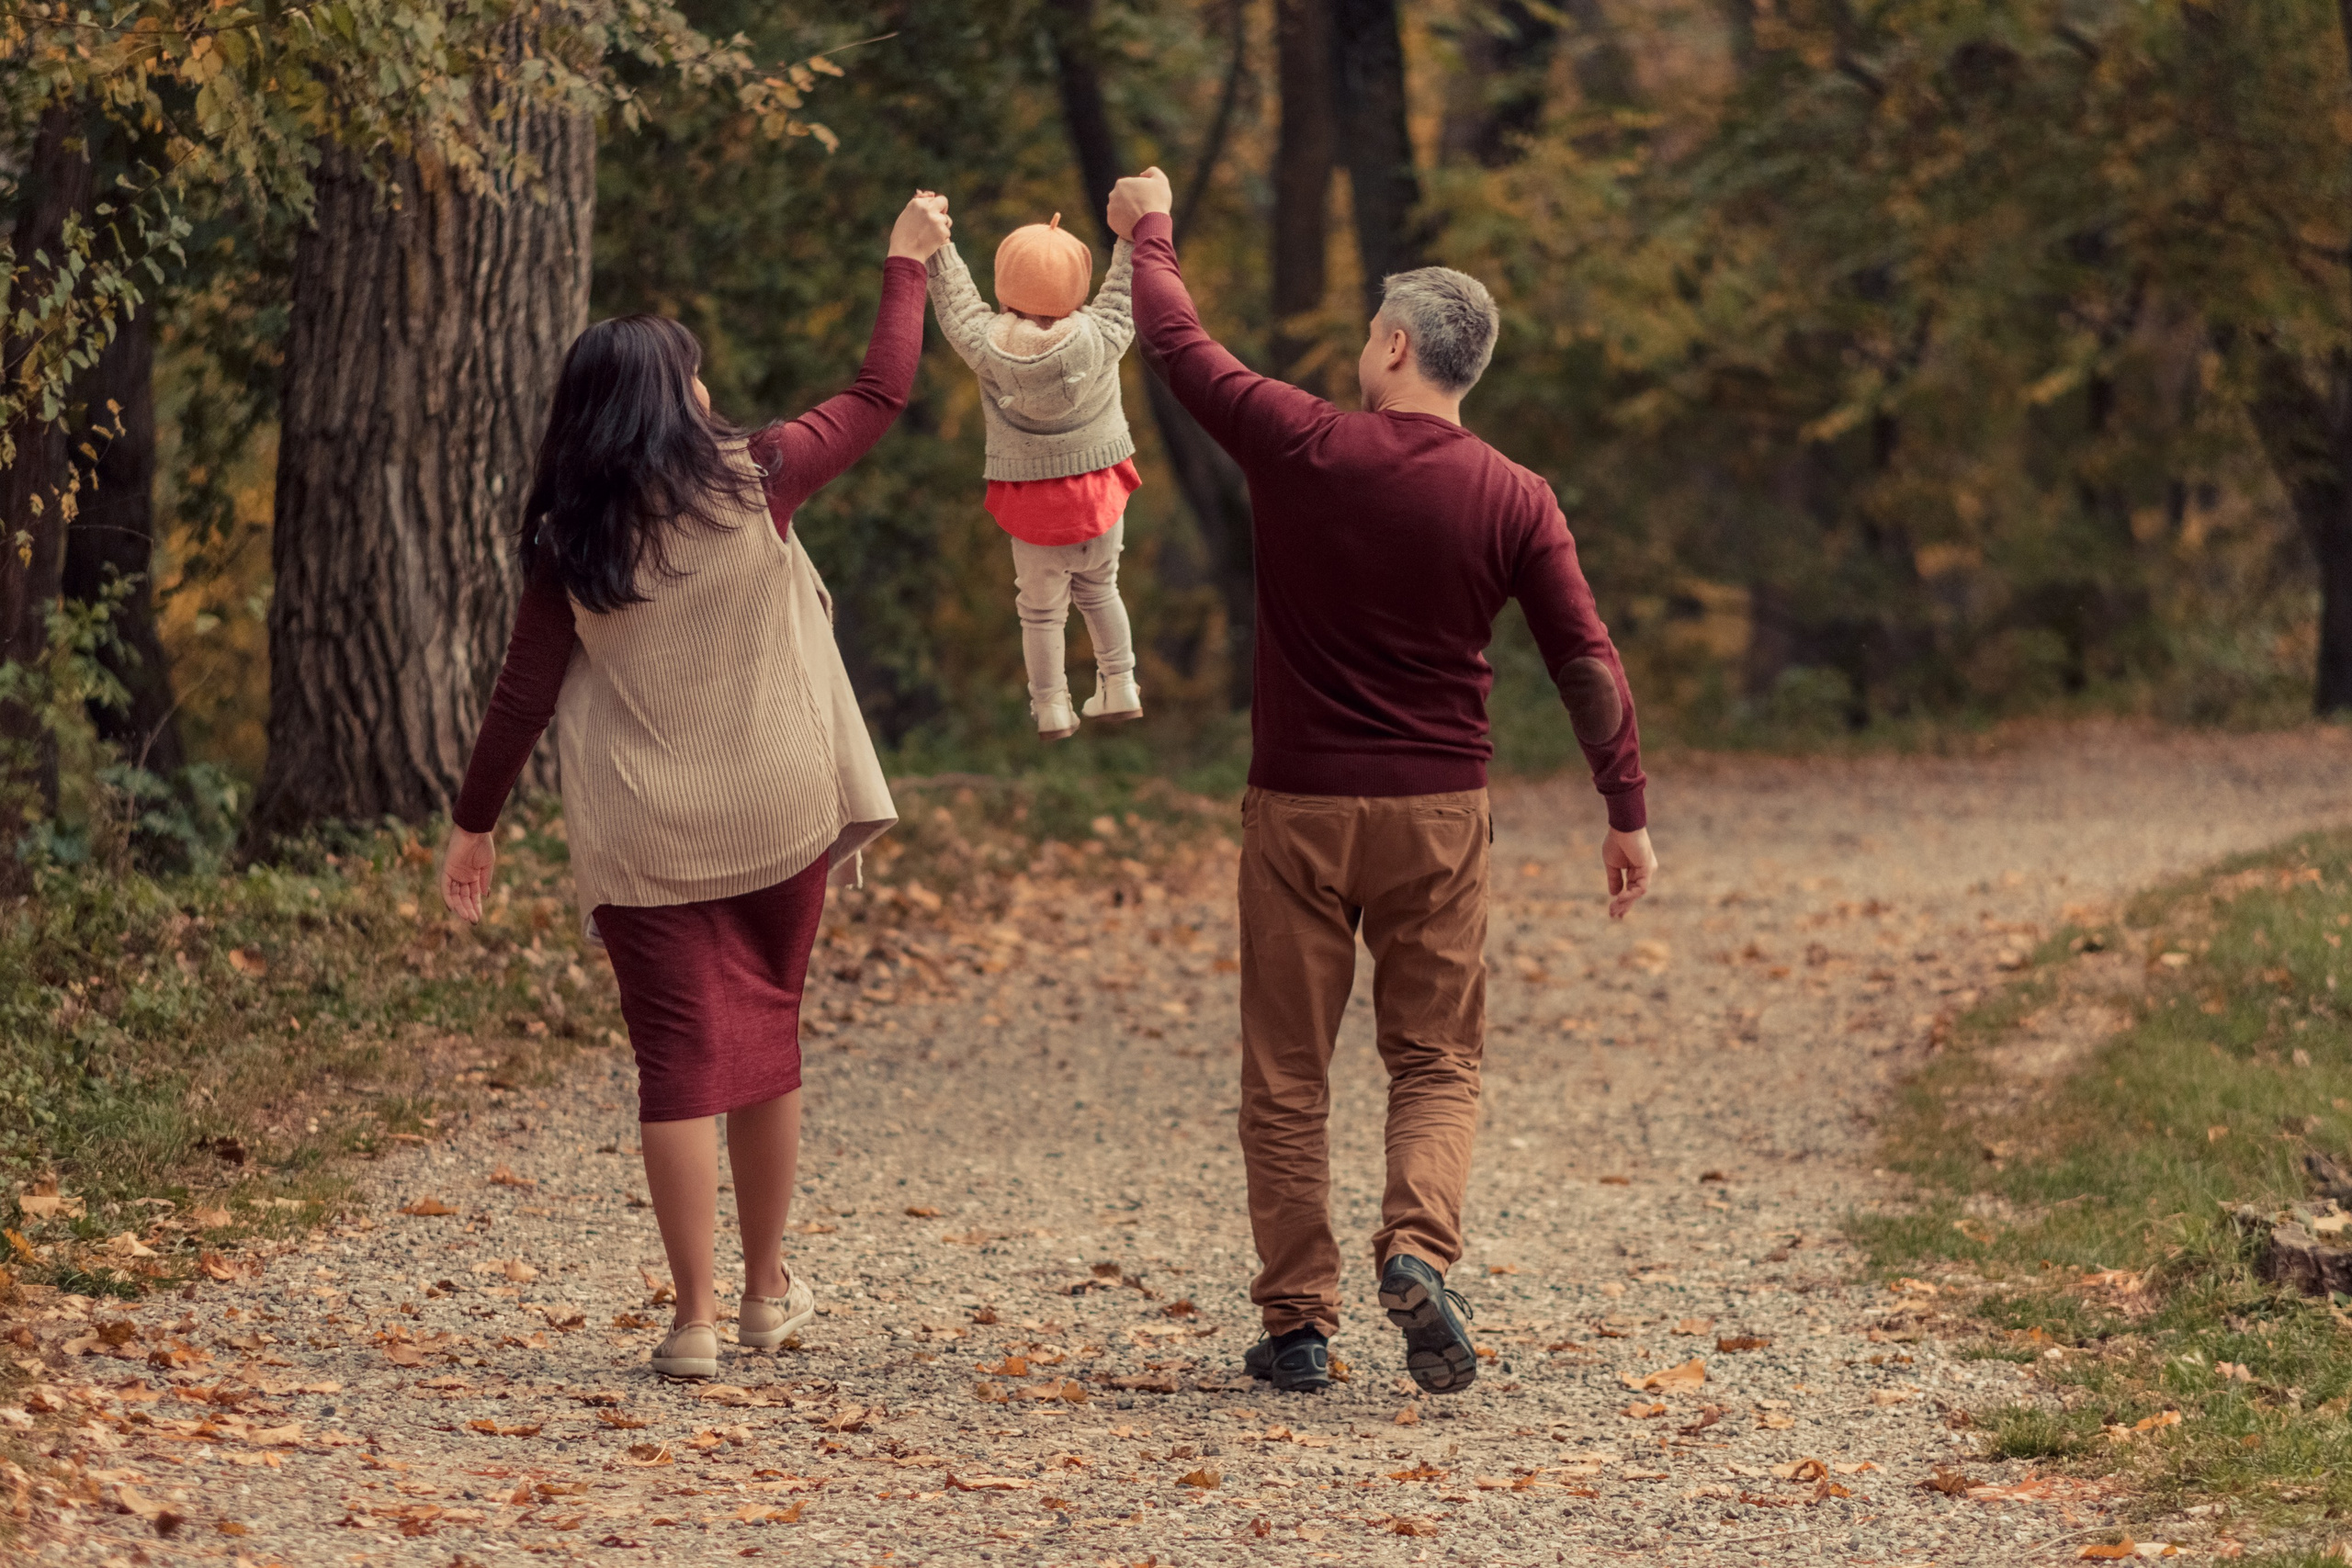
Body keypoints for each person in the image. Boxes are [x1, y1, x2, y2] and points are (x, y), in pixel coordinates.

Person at [1106, 167, 1659, 1396]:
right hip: (1437, 817)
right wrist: (1622, 808)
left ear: (1397, 344)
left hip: (1298, 806)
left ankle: (1299, 1324)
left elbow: (1176, 339)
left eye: (1369, 332)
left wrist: (1149, 225)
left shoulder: (1301, 441)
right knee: (1437, 1059)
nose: (1362, 347)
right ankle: (1416, 1246)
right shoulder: (1516, 496)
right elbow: (1584, 661)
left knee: (1287, 1074)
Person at [436, 191, 956, 1380]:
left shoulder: (568, 536)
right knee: (767, 1032)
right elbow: (880, 394)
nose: (714, 394)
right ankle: (771, 1292)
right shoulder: (757, 476)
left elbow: (520, 694)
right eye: (699, 379)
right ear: (676, 399)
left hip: (646, 836)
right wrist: (903, 262)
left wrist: (477, 826)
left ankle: (696, 1319)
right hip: (778, 805)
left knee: (677, 1059)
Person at [926, 211, 1144, 739]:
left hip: (1031, 509)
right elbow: (1124, 291)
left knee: (1042, 614)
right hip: (1097, 498)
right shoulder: (1102, 335)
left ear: (1004, 288)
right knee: (1101, 590)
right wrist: (1133, 234)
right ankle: (1121, 684)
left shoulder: (986, 345)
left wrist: (939, 247)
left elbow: (956, 304)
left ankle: (1051, 707)